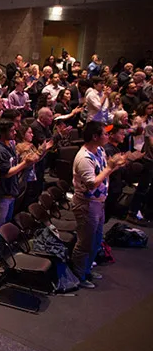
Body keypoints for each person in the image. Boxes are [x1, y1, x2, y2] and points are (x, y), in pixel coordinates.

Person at [71, 122, 128, 288]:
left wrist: (115, 166)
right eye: (104, 134)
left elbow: (103, 173)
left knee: (96, 241)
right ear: (95, 137)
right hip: (86, 204)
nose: (107, 136)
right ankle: (78, 276)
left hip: (98, 203)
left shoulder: (100, 150)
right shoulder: (83, 158)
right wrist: (110, 167)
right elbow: (91, 184)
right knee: (85, 242)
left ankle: (87, 270)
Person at [0, 119, 39, 272]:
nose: (15, 132)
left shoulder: (9, 145)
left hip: (9, 192)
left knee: (2, 226)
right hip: (0, 194)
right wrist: (25, 163)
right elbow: (5, 173)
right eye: (12, 130)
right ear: (2, 132)